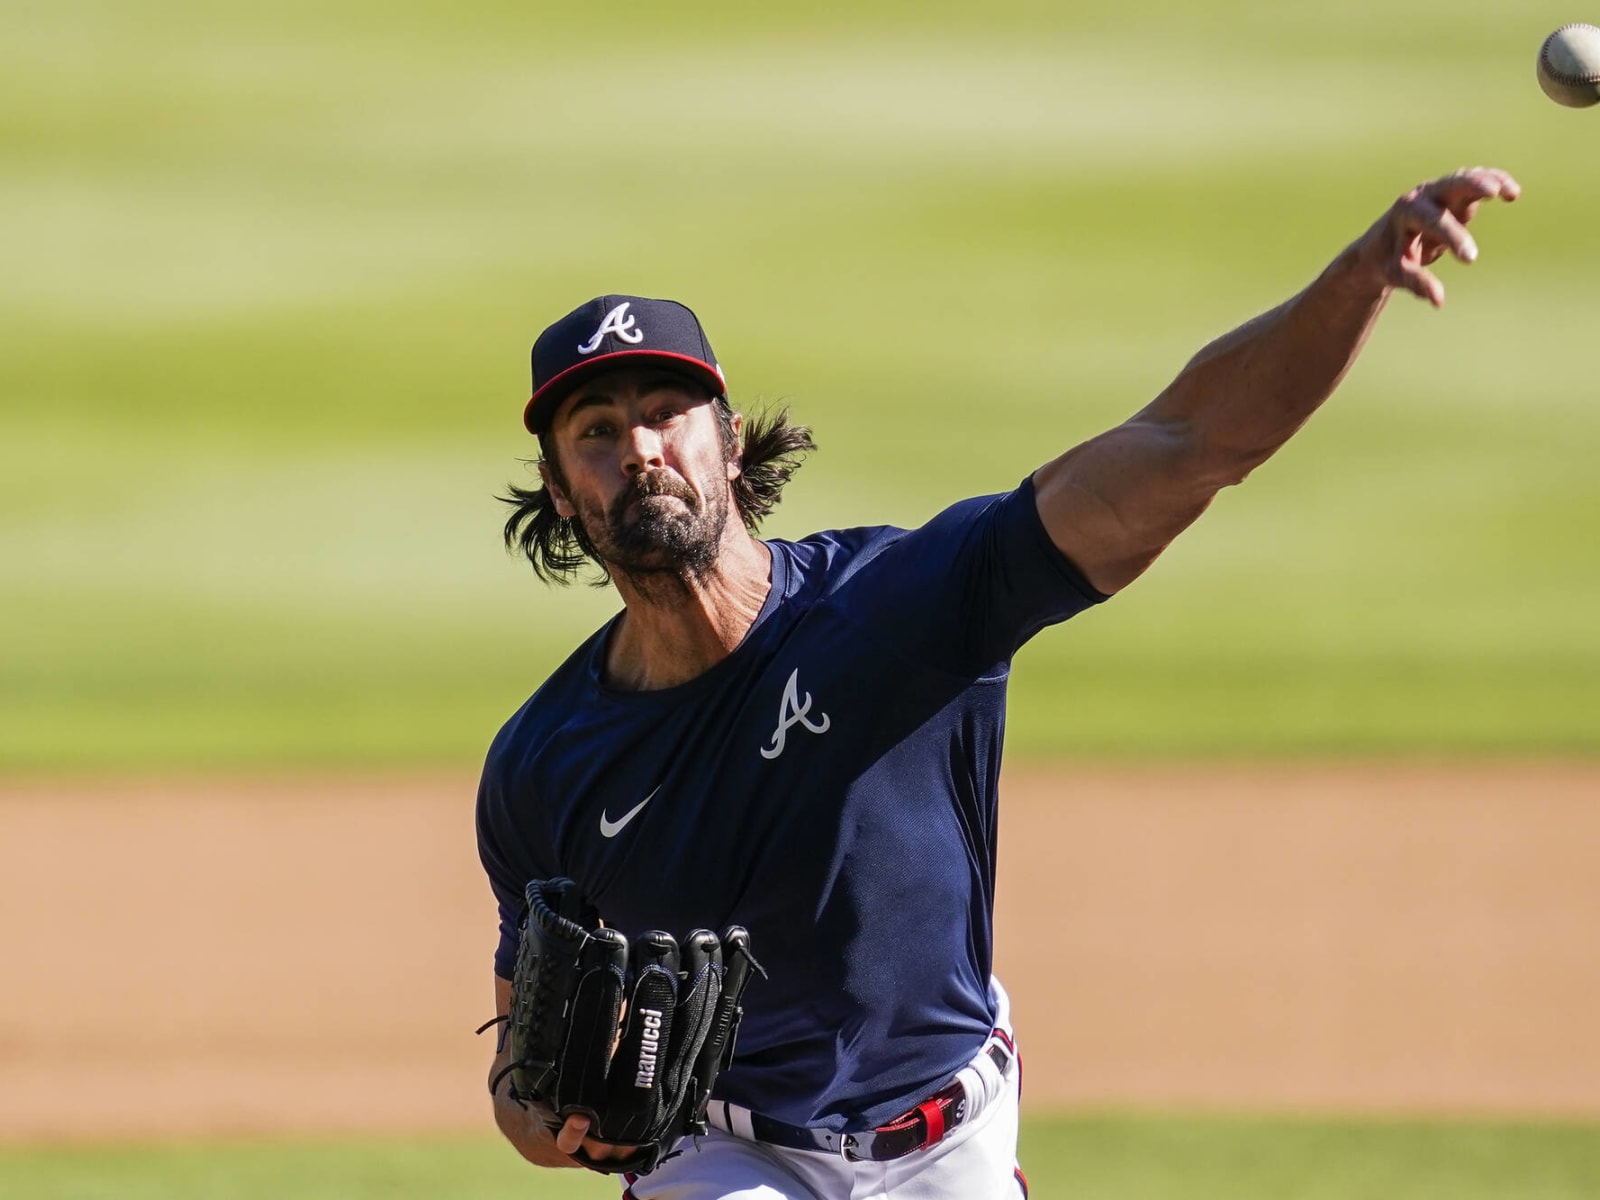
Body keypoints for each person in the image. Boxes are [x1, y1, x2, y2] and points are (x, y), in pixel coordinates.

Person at [475, 167, 1520, 1199]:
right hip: (721, 1155)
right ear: (563, 493)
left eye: (667, 412)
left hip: (944, 1142)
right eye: (598, 434)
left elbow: (1188, 442)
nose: (642, 449)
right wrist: (556, 1125)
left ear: (727, 437)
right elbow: (517, 1091)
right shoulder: (541, 766)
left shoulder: (900, 603)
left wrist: (1353, 280)